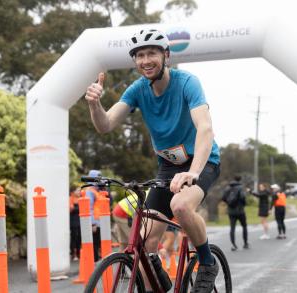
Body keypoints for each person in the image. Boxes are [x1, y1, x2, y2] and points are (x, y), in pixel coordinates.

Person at [85, 28, 221, 293]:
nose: (145, 60)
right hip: (168, 166)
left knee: (181, 206)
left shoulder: (187, 83)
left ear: (166, 55)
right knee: (144, 241)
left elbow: (204, 128)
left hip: (201, 161)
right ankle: (157, 282)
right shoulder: (137, 90)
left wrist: (192, 172)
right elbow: (106, 124)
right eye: (140, 55)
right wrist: (94, 105)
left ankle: (207, 262)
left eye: (152, 54)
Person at [221, 175, 249, 250]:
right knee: (244, 226)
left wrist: (229, 203)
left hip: (231, 211)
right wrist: (243, 204)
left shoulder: (227, 188)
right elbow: (243, 197)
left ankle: (233, 245)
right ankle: (245, 243)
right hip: (240, 211)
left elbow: (223, 198)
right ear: (240, 180)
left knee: (232, 228)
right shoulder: (240, 188)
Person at [85, 169, 104, 261]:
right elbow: (89, 208)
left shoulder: (95, 190)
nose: (99, 179)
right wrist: (92, 223)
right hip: (95, 222)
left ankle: (96, 260)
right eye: (97, 177)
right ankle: (94, 262)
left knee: (97, 242)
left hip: (98, 221)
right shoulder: (90, 191)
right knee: (95, 243)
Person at [69, 186, 81, 261]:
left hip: (79, 220)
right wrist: (80, 208)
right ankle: (73, 254)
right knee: (74, 237)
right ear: (72, 192)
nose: (79, 192)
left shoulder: (80, 198)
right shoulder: (70, 198)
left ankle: (79, 253)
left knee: (79, 237)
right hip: (73, 221)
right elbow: (71, 209)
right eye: (77, 190)